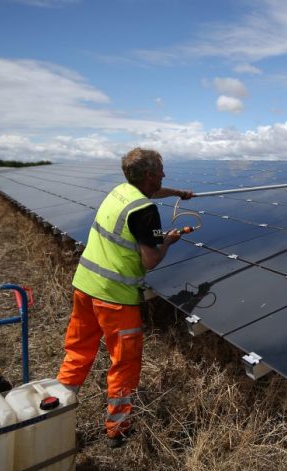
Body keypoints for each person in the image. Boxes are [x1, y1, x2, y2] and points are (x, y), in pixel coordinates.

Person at [56, 148, 193, 448]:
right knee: (124, 362)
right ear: (147, 176)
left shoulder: (120, 192)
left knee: (78, 351)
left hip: (85, 287)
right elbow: (150, 260)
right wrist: (168, 241)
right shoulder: (145, 212)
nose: (164, 176)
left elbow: (152, 194)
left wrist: (179, 193)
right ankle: (118, 428)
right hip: (115, 299)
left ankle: (55, 411)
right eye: (160, 172)